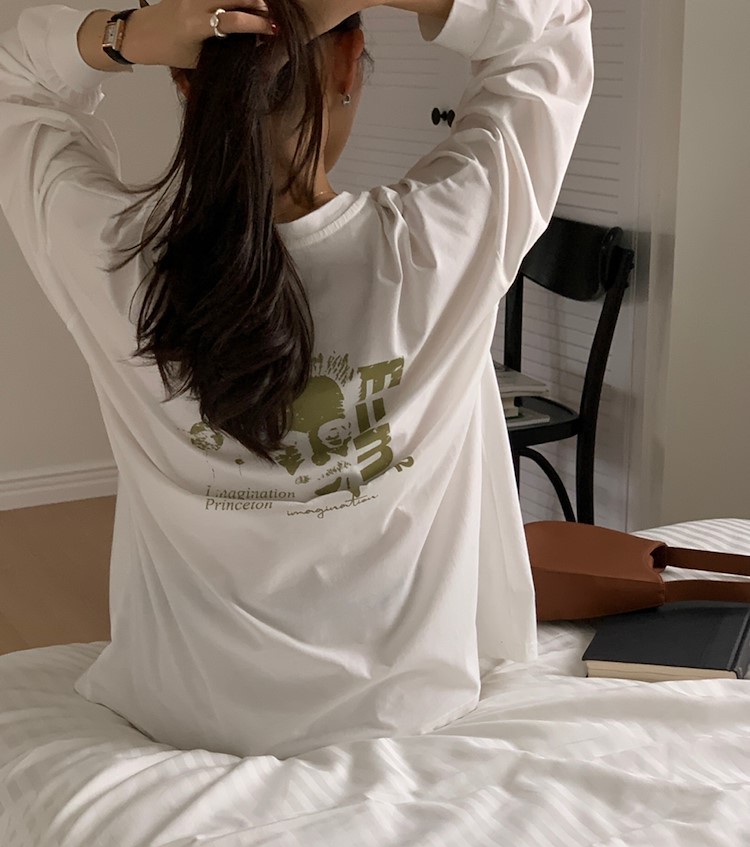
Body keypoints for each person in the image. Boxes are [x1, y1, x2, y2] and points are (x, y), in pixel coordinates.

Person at [0, 0, 594, 759]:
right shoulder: (439, 247)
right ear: (349, 64)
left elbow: (17, 80)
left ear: (183, 79)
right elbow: (551, 29)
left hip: (180, 710)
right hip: (405, 710)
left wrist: (133, 34)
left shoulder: (113, 261)